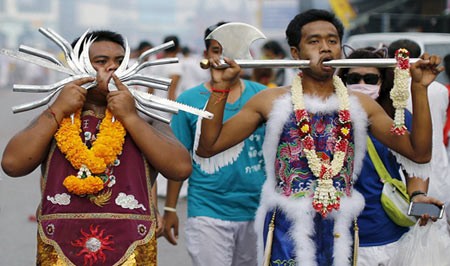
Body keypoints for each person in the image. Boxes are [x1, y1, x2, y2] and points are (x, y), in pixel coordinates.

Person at [196, 9, 443, 265]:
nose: (326, 48)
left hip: (341, 232)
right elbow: (209, 147)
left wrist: (419, 88)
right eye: (314, 42)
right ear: (295, 52)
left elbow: (419, 152)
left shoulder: (360, 104)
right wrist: (221, 88)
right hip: (286, 230)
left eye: (332, 41)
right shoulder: (271, 101)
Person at [1, 30, 192, 265]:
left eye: (120, 62)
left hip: (131, 248)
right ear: (76, 68)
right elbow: (12, 164)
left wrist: (130, 118)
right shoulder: (55, 118)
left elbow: (181, 168)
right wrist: (58, 110)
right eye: (101, 62)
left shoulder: (146, 118)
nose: (113, 69)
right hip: (60, 247)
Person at [162, 21, 267, 266]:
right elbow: (180, 158)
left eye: (232, 51)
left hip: (258, 210)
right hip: (207, 210)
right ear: (207, 54)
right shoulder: (188, 100)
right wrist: (169, 209)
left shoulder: (264, 97)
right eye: (217, 50)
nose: (223, 58)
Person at [338, 47, 441, 265]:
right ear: (342, 80)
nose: (362, 84)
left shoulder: (399, 118)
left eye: (370, 78)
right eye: (354, 78)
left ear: (382, 82)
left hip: (387, 237)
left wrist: (418, 196)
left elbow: (416, 167)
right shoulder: (326, 118)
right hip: (337, 238)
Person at [388, 39, 450, 221]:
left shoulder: (391, 91)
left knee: (410, 230)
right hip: (436, 170)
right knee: (434, 230)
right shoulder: (440, 90)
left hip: (406, 177)